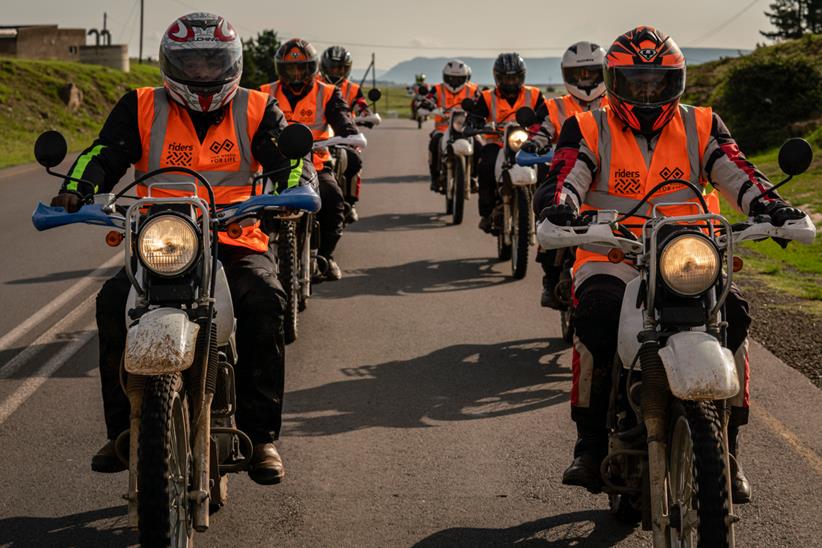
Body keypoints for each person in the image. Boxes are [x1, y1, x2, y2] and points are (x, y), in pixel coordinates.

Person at [536, 26, 808, 503]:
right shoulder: (588, 125)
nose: (646, 92)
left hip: (686, 256)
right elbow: (566, 172)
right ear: (614, 82)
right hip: (611, 254)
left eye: (657, 82)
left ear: (675, 82)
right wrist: (558, 204)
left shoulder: (701, 124)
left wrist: (773, 207)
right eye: (636, 82)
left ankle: (727, 451)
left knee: (735, 316)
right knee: (596, 318)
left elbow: (736, 170)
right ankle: (590, 442)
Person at [49, 12, 316, 485]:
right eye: (191, 64)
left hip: (232, 235)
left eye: (213, 62)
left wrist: (291, 192)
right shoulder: (141, 104)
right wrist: (75, 186)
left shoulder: (257, 107)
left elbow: (289, 160)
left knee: (264, 298)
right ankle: (121, 435)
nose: (203, 74)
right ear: (170, 64)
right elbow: (104, 152)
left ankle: (262, 436)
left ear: (230, 62)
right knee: (113, 304)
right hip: (161, 238)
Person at [261, 38, 361, 279]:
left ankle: (326, 256)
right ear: (280, 69)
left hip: (316, 162)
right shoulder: (264, 93)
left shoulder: (327, 92)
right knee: (257, 203)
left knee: (333, 197)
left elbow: (342, 118)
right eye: (289, 68)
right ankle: (262, 253)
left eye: (301, 67)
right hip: (276, 164)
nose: (295, 73)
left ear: (312, 68)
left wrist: (350, 134)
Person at [526, 42, 609, 308]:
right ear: (567, 75)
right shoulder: (555, 106)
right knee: (550, 220)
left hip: (607, 180)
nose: (585, 79)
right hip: (564, 176)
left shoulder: (617, 104)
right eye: (579, 74)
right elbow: (542, 129)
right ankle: (550, 281)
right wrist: (534, 143)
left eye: (591, 73)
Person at [468, 53, 545, 233]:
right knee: (485, 165)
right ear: (497, 77)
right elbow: (476, 116)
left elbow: (546, 116)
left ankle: (545, 213)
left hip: (527, 143)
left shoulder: (534, 94)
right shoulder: (487, 97)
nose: (510, 82)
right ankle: (487, 214)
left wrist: (545, 127)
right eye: (506, 78)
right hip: (497, 142)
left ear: (522, 76)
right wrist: (475, 124)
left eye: (515, 77)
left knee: (546, 169)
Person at [318, 45, 370, 222]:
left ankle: (350, 202)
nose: (336, 71)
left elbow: (362, 105)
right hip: (320, 136)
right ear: (324, 66)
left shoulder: (353, 88)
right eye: (333, 67)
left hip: (345, 136)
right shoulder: (314, 84)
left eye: (341, 68)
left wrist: (366, 116)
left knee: (354, 160)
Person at [422, 60, 478, 192]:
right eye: (451, 78)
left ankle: (474, 177)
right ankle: (435, 178)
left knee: (479, 144)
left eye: (458, 78)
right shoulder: (437, 89)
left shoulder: (473, 89)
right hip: (443, 128)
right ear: (445, 77)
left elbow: (481, 104)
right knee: (434, 143)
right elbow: (428, 99)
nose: (454, 81)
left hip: (466, 128)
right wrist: (428, 104)